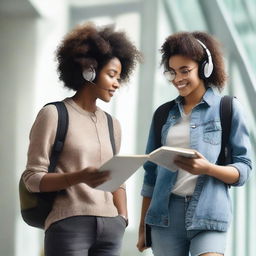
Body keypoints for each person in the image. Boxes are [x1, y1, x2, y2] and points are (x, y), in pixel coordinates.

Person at [22, 22, 141, 256]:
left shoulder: (112, 124)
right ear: (90, 71)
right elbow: (31, 178)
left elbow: (118, 181)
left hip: (110, 229)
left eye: (119, 76)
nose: (117, 83)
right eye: (111, 75)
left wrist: (122, 218)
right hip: (68, 224)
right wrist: (78, 177)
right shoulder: (54, 114)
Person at [137, 31, 252, 256]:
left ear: (204, 68)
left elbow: (245, 169)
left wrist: (208, 168)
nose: (177, 78)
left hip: (209, 213)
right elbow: (150, 174)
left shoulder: (227, 109)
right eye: (172, 72)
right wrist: (143, 226)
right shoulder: (163, 114)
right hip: (165, 218)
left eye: (185, 70)